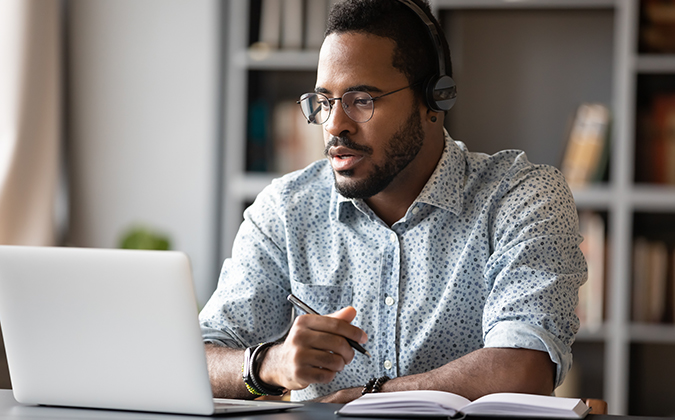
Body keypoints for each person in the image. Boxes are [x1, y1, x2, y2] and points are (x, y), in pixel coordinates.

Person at [199, 0, 586, 404]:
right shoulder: (285, 209)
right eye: (324, 101)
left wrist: (371, 397)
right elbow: (199, 360)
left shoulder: (521, 197)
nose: (334, 124)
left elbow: (523, 368)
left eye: (361, 100)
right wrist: (268, 365)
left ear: (434, 100)